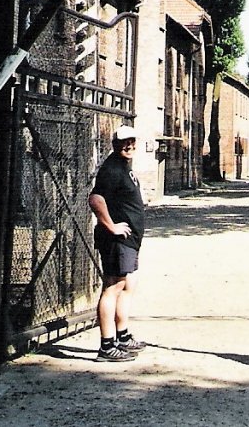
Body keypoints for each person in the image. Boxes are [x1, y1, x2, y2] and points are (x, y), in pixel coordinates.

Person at [89, 124, 148, 362]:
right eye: (124, 142)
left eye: (132, 141)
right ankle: (106, 346)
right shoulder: (112, 169)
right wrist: (111, 226)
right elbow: (95, 199)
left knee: (127, 285)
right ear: (115, 144)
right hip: (116, 241)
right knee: (113, 287)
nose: (129, 145)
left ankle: (122, 336)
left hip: (129, 240)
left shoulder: (124, 166)